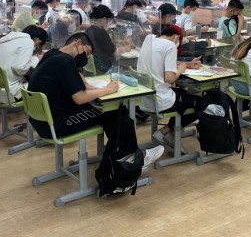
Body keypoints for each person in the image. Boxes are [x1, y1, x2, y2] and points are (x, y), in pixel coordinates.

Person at [27, 32, 163, 168]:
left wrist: (87, 85)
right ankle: (133, 160)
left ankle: (122, 155)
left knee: (110, 111)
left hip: (42, 121)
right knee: (112, 112)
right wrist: (108, 90)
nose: (86, 57)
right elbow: (80, 98)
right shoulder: (65, 61)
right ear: (78, 43)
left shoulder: (52, 55)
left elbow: (74, 80)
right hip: (57, 125)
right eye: (87, 53)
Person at [138, 26, 201, 152]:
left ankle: (170, 132)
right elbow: (170, 79)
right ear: (176, 37)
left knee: (183, 93)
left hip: (146, 99)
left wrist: (187, 65)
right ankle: (165, 131)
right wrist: (180, 70)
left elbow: (161, 62)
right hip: (161, 100)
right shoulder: (170, 45)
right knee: (199, 103)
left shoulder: (149, 40)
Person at [0, 25, 47, 103]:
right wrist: (36, 58)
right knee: (45, 82)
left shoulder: (5, 40)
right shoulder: (28, 41)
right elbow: (19, 68)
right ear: (38, 43)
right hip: (11, 95)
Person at [86, 5, 133, 75]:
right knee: (130, 72)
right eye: (108, 21)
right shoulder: (101, 32)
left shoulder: (89, 30)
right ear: (103, 19)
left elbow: (103, 44)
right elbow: (116, 53)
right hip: (106, 69)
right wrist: (126, 48)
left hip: (97, 67)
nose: (108, 23)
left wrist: (120, 42)